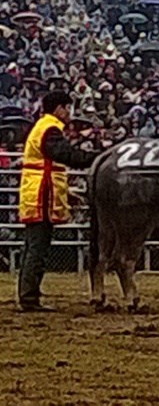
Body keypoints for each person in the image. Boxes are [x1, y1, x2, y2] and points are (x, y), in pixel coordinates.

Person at [17, 91, 98, 312]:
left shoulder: (42, 126)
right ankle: (29, 298)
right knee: (38, 248)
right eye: (67, 108)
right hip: (42, 194)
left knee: (33, 247)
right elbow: (66, 155)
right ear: (58, 109)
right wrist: (96, 157)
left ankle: (28, 294)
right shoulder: (50, 129)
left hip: (39, 191)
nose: (69, 113)